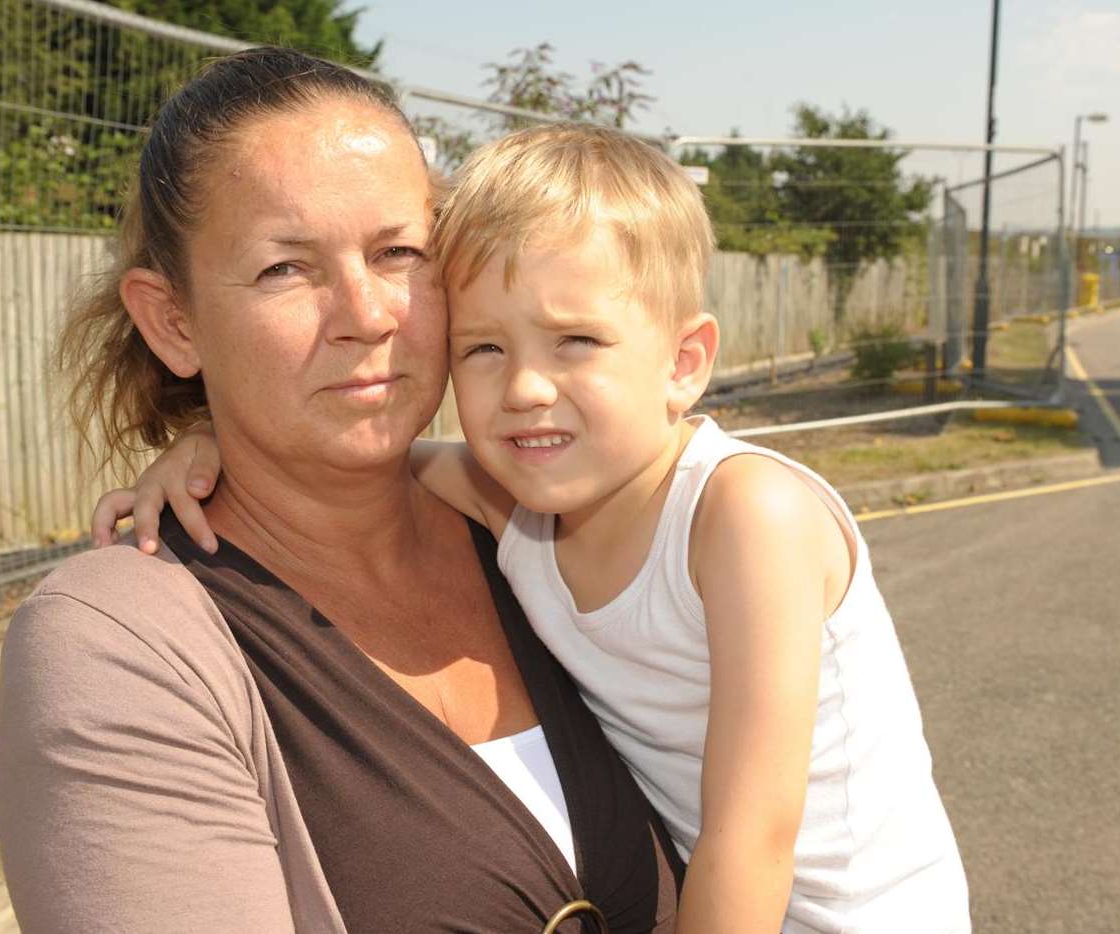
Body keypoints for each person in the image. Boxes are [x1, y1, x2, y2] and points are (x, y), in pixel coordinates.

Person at [101, 124, 972, 933]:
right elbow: (328, 457)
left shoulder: (747, 517)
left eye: (576, 342)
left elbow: (754, 836)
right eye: (485, 349)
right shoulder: (503, 496)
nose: (524, 389)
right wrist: (208, 436)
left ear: (683, 363)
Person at [0, 48, 685, 934]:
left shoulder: (540, 522)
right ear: (173, 322)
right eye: (286, 268)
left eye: (400, 250)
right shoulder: (119, 650)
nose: (367, 314)